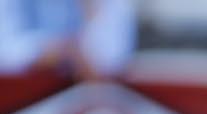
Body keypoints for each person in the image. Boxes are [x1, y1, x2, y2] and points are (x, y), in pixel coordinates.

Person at [0, 0, 132, 76]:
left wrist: (90, 7)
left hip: (78, 104)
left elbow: (113, 56)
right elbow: (5, 51)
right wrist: (54, 50)